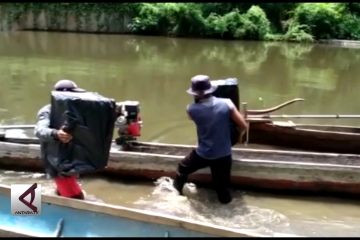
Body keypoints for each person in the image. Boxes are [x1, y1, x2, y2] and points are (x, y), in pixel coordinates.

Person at [173, 75, 248, 204]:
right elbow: (243, 126)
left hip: (203, 155)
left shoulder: (191, 109)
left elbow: (194, 118)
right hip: (224, 155)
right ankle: (225, 203)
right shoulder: (227, 103)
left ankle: (176, 195)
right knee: (222, 191)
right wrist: (238, 137)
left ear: (195, 94)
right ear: (211, 90)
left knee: (182, 168)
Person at [34, 79, 86, 200]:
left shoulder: (73, 111)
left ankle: (54, 200)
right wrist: (56, 133)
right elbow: (39, 130)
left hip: (69, 159)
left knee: (64, 191)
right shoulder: (47, 111)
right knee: (77, 198)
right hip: (57, 161)